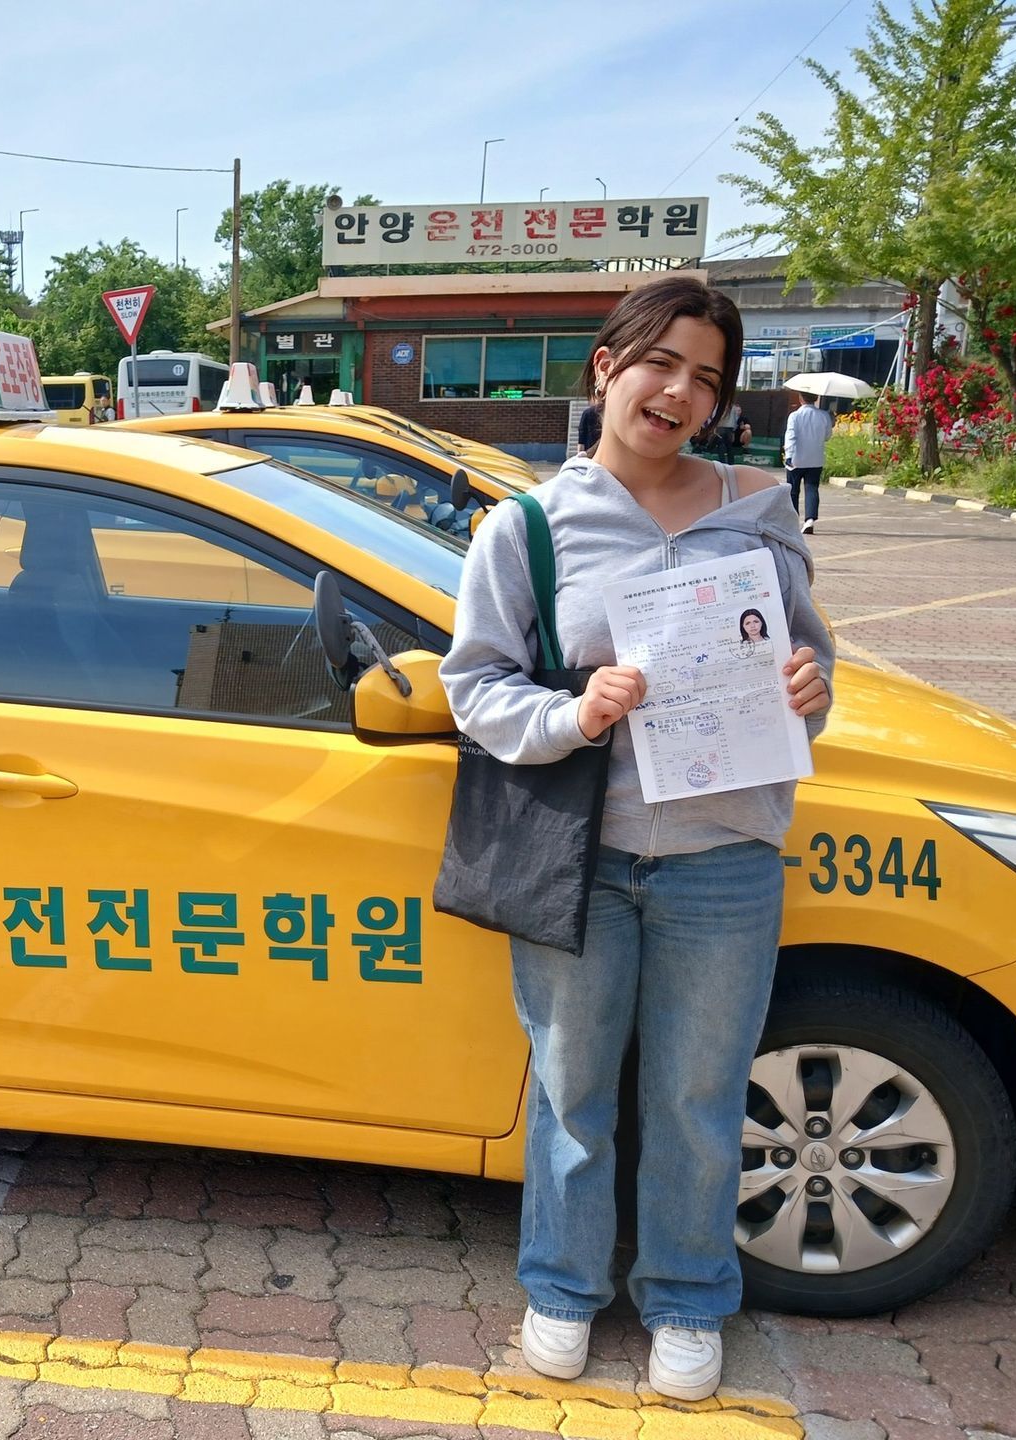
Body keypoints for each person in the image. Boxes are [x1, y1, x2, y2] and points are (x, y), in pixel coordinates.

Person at [440, 275, 833, 1403]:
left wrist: (808, 687)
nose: (680, 392)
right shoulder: (528, 528)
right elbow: (477, 687)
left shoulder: (757, 513)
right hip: (583, 860)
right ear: (608, 366)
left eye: (707, 377)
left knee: (699, 1096)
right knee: (571, 1088)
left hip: (725, 858)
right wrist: (573, 714)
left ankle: (687, 1298)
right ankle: (562, 1287)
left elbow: (811, 673)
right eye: (662, 363)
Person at [785, 391, 835, 534]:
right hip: (815, 459)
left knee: (793, 491)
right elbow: (827, 436)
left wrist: (789, 455)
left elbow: (790, 436)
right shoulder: (824, 416)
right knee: (812, 488)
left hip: (796, 459)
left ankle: (794, 521)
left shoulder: (795, 416)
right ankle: (810, 520)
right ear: (816, 398)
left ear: (800, 398)